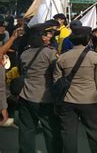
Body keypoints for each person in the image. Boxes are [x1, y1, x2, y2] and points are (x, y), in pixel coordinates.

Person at [54, 26, 97, 153]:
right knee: (94, 133)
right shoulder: (95, 57)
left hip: (68, 100)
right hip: (90, 100)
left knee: (68, 134)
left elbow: (57, 81)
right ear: (88, 40)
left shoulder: (62, 57)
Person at [17, 24, 62, 153]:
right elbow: (56, 75)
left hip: (25, 95)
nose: (49, 37)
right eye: (46, 34)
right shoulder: (50, 53)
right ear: (41, 37)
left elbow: (21, 72)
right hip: (44, 97)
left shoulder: (25, 53)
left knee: (26, 130)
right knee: (51, 131)